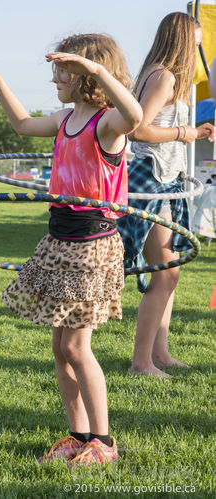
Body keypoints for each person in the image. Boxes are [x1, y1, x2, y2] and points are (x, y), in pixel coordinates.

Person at [0, 33, 142, 465]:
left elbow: (133, 115)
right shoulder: (65, 119)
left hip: (93, 244)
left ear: (84, 73)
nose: (55, 77)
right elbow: (22, 125)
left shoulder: (108, 123)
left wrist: (98, 71)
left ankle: (105, 444)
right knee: (60, 349)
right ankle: (78, 436)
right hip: (60, 239)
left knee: (78, 348)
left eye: (62, 69)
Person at [117, 12, 215, 378]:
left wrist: (192, 131)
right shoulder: (164, 76)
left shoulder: (160, 74)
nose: (201, 47)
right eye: (198, 40)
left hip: (167, 180)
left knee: (169, 271)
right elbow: (138, 130)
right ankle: (142, 363)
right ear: (182, 39)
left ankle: (161, 353)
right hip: (152, 179)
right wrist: (184, 134)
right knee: (165, 273)